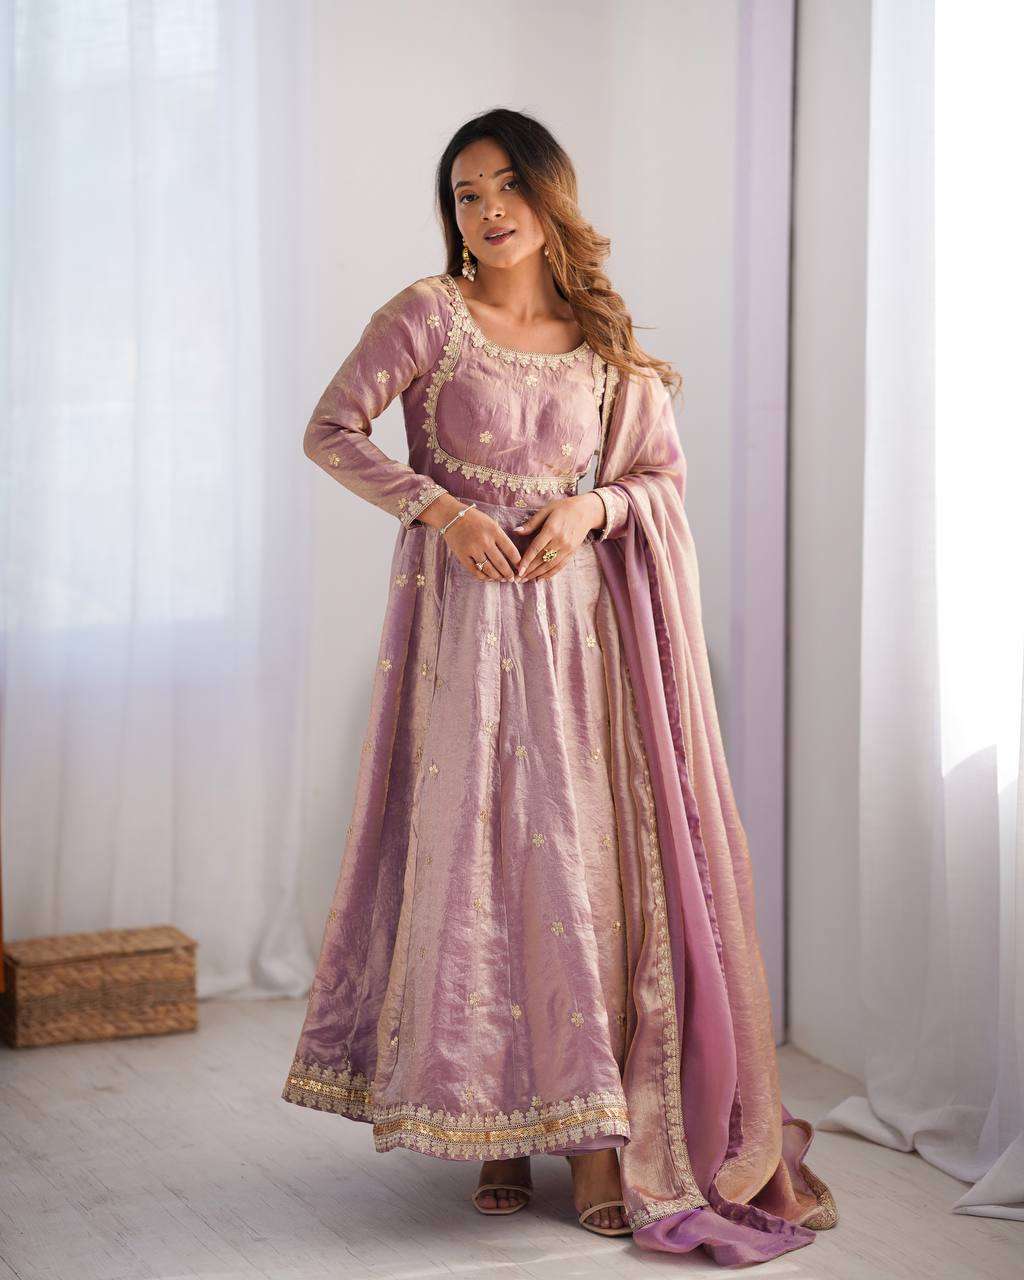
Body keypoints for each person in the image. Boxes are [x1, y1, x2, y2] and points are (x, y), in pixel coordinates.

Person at [281, 108, 837, 1267]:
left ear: (548, 197)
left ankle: (592, 1138)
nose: (486, 210)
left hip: (582, 642)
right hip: (462, 632)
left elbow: (659, 477)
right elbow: (330, 429)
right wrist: (440, 508)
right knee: (476, 860)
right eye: (465, 193)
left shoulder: (600, 339)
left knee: (580, 870)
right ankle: (495, 1126)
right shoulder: (426, 314)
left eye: (505, 187)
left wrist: (593, 506)